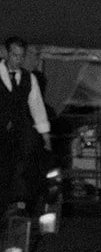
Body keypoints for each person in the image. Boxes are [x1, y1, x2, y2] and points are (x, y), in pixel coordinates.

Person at [0, 37, 52, 213]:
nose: (18, 59)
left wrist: (45, 134)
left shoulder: (29, 78)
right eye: (15, 55)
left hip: (16, 136)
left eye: (21, 56)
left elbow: (37, 106)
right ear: (6, 53)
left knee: (11, 174)